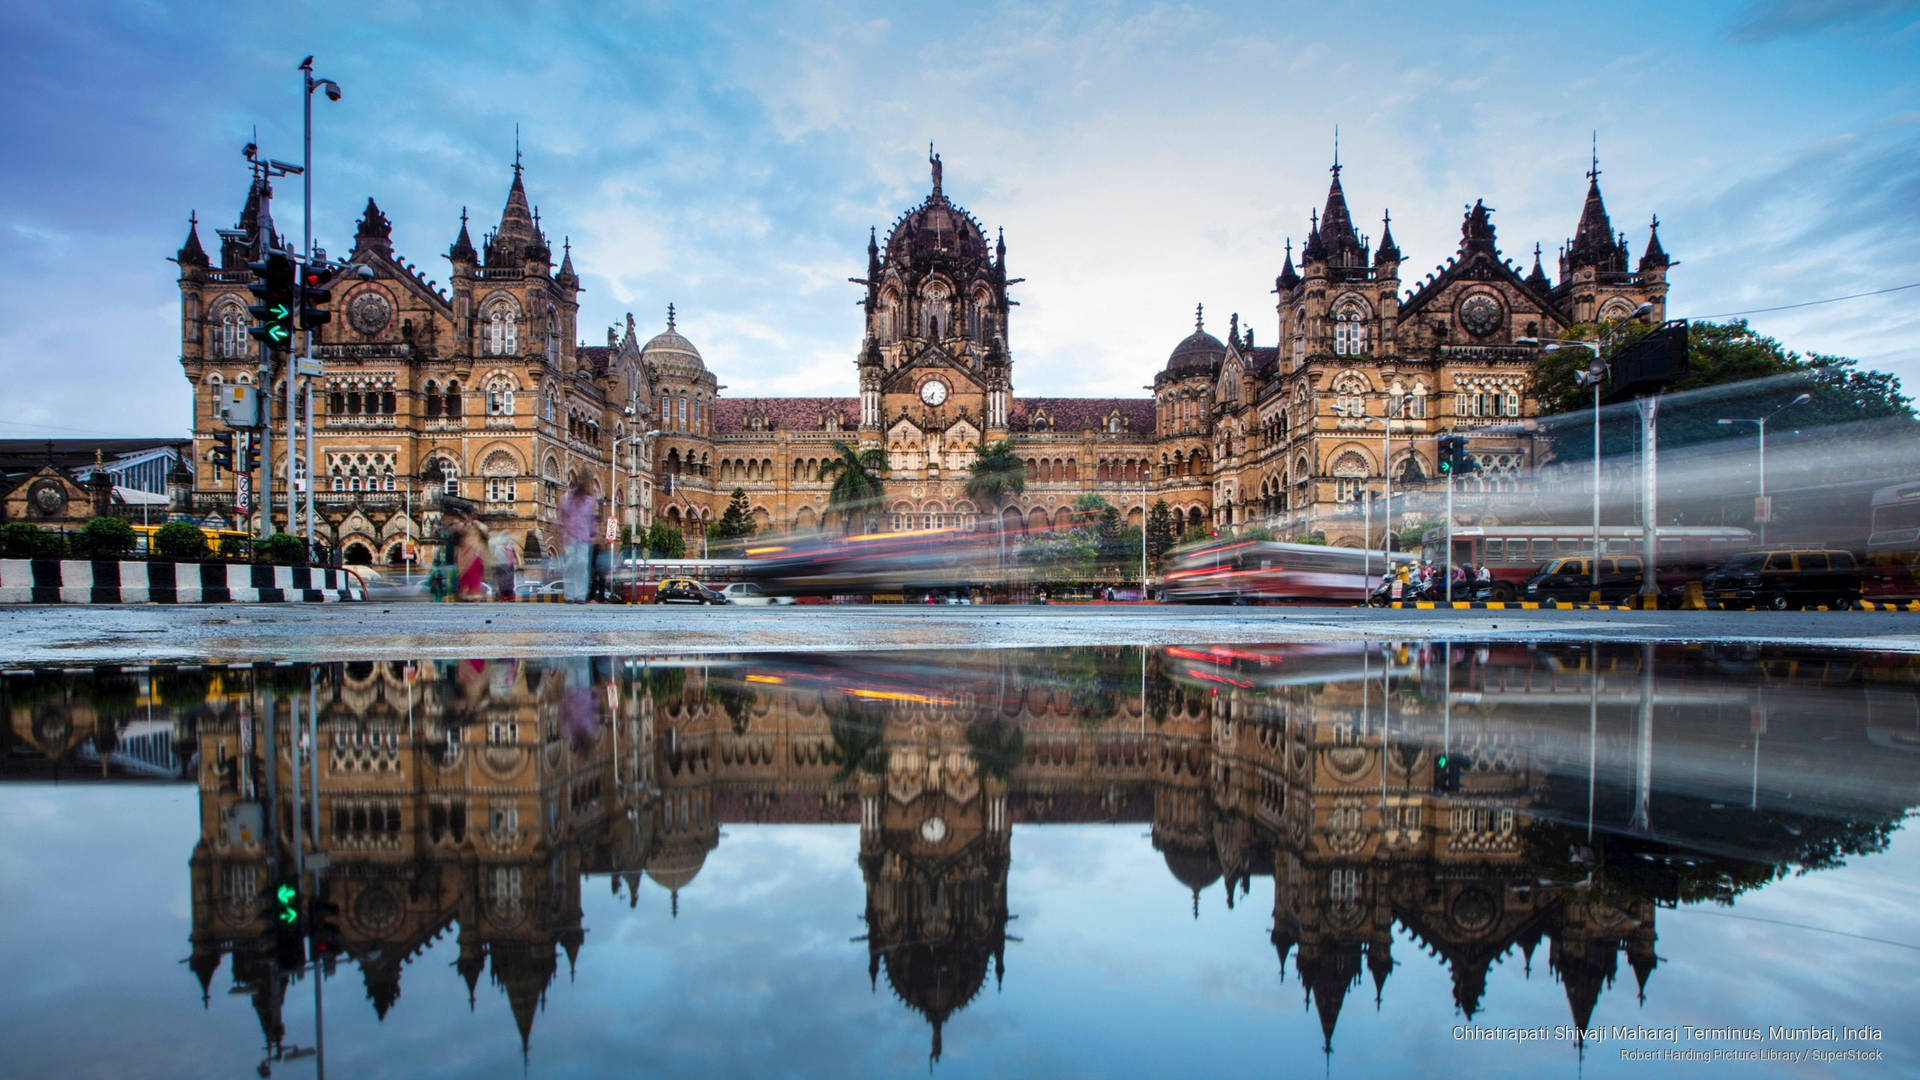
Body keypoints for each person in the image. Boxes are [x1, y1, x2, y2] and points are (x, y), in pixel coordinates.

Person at [558, 473, 600, 603]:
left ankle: (580, 595)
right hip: (570, 537)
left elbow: (591, 519)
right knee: (570, 565)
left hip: (583, 538)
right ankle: (569, 595)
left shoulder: (589, 502)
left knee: (582, 565)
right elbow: (561, 517)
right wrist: (561, 529)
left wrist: (595, 534)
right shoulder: (566, 499)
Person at [456, 509, 490, 601]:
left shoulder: (478, 525)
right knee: (465, 576)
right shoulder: (463, 525)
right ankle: (465, 594)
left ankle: (472, 595)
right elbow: (458, 530)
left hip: (475, 554)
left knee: (473, 576)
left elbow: (486, 533)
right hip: (465, 555)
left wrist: (476, 524)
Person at [490, 530, 518, 601]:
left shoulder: (510, 548)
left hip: (509, 576)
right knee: (502, 590)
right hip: (502, 575)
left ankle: (508, 598)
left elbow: (513, 561)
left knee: (508, 590)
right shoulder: (498, 549)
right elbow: (498, 564)